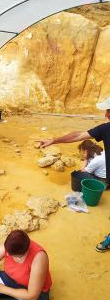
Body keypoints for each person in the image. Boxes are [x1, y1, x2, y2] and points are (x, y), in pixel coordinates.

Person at [38, 97, 110, 252]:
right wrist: (54, 140)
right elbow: (78, 135)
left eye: (109, 111)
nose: (106, 115)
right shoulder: (106, 129)